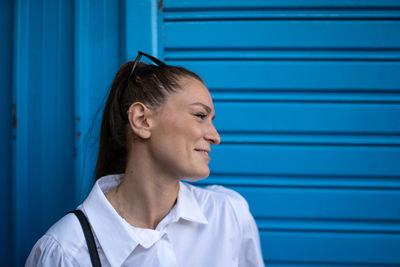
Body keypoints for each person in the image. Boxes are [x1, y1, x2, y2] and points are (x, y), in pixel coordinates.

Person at [26, 51, 264, 267]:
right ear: (141, 120)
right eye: (200, 115)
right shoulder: (64, 252)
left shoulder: (229, 216)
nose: (215, 136)